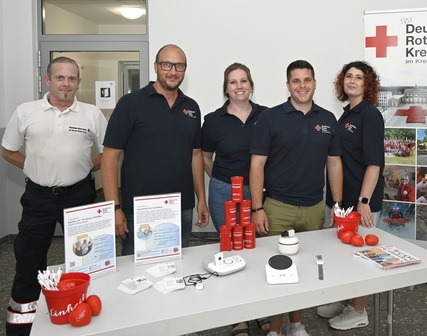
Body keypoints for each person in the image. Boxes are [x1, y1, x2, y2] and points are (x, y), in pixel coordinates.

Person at [2, 56, 107, 336]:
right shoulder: (26, 112)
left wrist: (85, 167)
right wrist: (35, 166)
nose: (66, 84)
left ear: (78, 83)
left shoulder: (92, 114)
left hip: (79, 196)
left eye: (72, 78)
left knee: (87, 261)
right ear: (47, 79)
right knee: (29, 263)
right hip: (38, 198)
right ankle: (22, 327)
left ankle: (87, 318)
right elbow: (8, 149)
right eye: (60, 77)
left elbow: (107, 153)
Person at [249, 60, 343, 336]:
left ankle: (296, 325)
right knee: (277, 272)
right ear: (288, 84)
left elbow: (335, 163)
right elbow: (257, 165)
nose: (302, 86)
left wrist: (337, 206)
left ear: (315, 83)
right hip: (277, 208)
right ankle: (275, 330)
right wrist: (257, 208)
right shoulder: (270, 118)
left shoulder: (327, 119)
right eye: (296, 81)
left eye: (307, 80)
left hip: (314, 208)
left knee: (303, 271)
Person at [101, 44, 209, 256]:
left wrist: (201, 200)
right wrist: (114, 208)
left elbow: (195, 155)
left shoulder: (192, 107)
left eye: (179, 66)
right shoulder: (130, 104)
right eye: (167, 64)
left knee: (178, 268)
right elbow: (109, 157)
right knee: (136, 275)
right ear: (156, 67)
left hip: (181, 207)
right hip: (139, 210)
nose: (173, 71)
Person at [201, 63, 270, 335]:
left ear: (251, 84)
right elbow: (206, 158)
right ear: (226, 88)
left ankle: (260, 308)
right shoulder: (213, 120)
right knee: (229, 252)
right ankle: (238, 316)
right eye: (233, 82)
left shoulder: (266, 116)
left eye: (243, 81)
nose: (239, 86)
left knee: (258, 249)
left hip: (256, 194)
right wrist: (222, 179)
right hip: (224, 192)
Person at [318, 61, 384, 331]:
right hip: (343, 200)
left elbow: (374, 163)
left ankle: (358, 310)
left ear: (367, 85)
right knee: (341, 253)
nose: (353, 81)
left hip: (361, 200)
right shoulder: (346, 115)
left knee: (360, 254)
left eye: (359, 77)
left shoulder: (369, 115)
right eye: (349, 76)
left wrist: (363, 201)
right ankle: (345, 299)